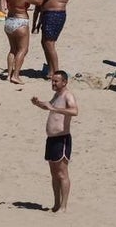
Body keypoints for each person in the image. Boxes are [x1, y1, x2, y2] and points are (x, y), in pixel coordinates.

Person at [31, 70, 78, 213]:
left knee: (62, 173)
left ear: (64, 82)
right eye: (52, 80)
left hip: (62, 139)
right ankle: (56, 204)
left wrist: (55, 108)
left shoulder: (68, 95)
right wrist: (38, 104)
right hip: (51, 139)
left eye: (56, 81)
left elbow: (75, 111)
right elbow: (49, 106)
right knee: (54, 174)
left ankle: (63, 206)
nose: (53, 83)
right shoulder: (57, 95)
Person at [34, 0, 73, 76]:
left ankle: (55, 71)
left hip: (54, 14)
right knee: (45, 42)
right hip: (54, 13)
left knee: (49, 43)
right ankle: (51, 69)